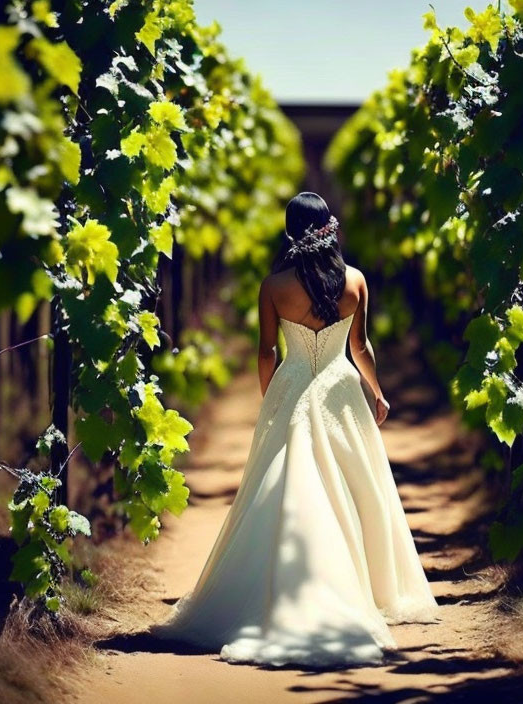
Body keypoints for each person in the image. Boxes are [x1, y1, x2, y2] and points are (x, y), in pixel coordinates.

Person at [150, 192, 438, 666]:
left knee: (288, 483)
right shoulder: (356, 281)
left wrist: (273, 394)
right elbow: (360, 346)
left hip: (293, 384)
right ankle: (368, 587)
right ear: (329, 227)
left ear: (290, 232)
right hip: (341, 388)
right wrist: (377, 392)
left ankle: (285, 585)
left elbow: (267, 351)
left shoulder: (274, 285)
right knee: (356, 483)